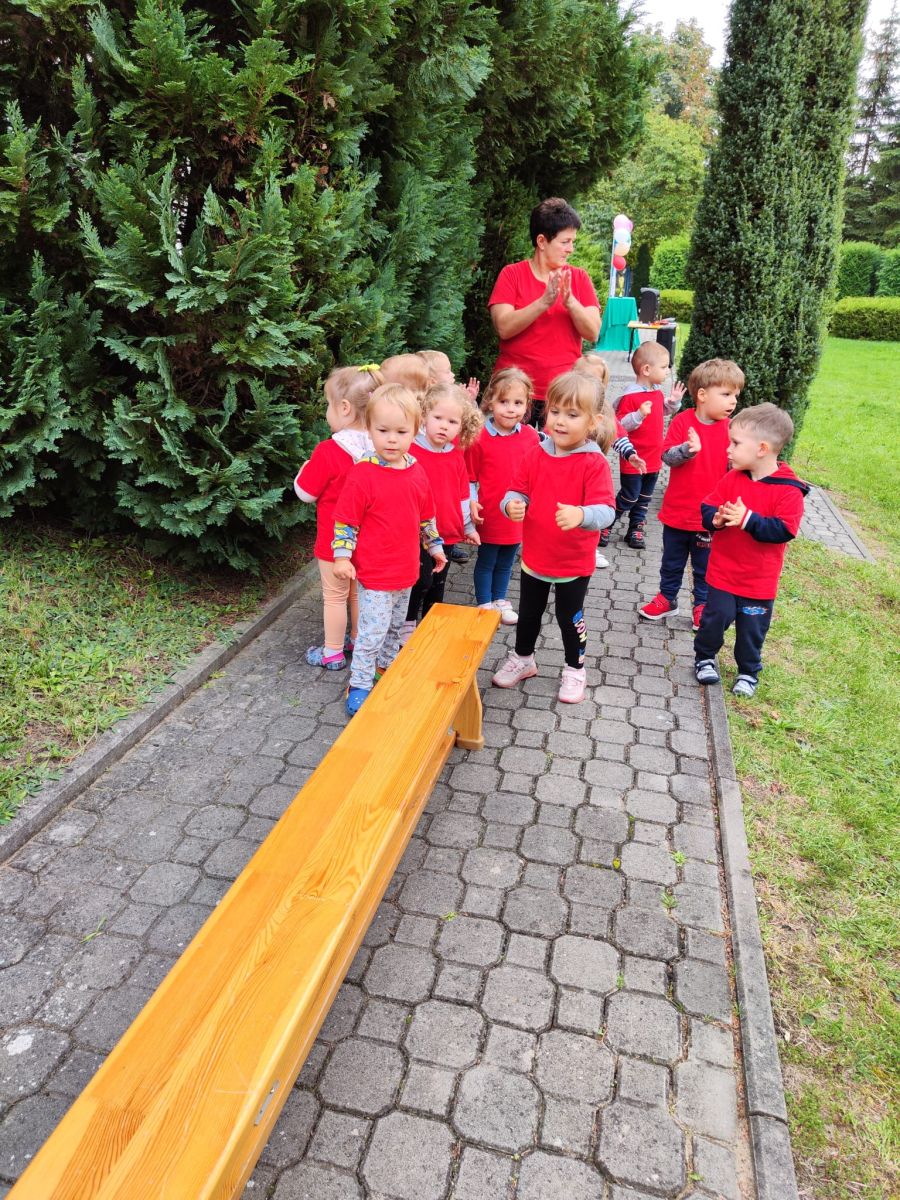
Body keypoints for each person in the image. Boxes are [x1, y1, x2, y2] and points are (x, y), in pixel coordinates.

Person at [491, 370, 615, 704]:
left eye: (572, 415)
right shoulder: (535, 453)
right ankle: (524, 659)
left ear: (593, 422)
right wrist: (511, 505)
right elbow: (517, 490)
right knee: (529, 613)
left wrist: (582, 515)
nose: (560, 421)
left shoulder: (593, 463)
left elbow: (607, 510)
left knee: (568, 617)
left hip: (572, 562)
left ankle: (575, 669)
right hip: (535, 556)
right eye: (555, 411)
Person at [332, 384, 446, 715]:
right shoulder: (363, 474)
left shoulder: (416, 471)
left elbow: (426, 517)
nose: (392, 440)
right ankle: (359, 682)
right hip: (375, 574)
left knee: (395, 629)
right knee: (371, 633)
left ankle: (383, 668)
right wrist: (342, 556)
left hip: (406, 571)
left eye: (401, 432)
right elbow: (346, 522)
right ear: (369, 429)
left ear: (415, 431)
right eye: (383, 431)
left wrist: (435, 546)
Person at [694, 403, 809, 697]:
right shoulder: (733, 478)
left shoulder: (789, 490)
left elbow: (784, 530)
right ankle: (704, 657)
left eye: (735, 443)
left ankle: (748, 671)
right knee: (713, 620)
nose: (728, 449)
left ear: (762, 449)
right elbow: (708, 505)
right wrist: (716, 519)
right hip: (722, 574)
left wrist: (747, 519)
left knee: (752, 630)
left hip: (758, 583)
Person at [638, 358, 743, 631]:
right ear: (703, 395)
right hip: (677, 511)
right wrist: (687, 450)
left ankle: (702, 605)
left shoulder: (732, 430)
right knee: (671, 561)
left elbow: (736, 469)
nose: (733, 401)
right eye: (726, 394)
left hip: (709, 517)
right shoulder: (682, 421)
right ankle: (667, 598)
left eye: (735, 395)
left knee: (704, 567)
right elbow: (666, 457)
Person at [293, 365, 382, 670]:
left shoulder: (329, 450)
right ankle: (357, 640)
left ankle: (332, 652)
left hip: (335, 541)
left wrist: (304, 471)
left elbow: (306, 493)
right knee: (357, 593)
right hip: (368, 539)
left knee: (334, 596)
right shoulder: (383, 448)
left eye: (328, 405)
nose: (327, 412)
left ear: (344, 408)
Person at [488, 197, 601, 423]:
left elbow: (593, 333)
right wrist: (543, 302)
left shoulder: (579, 278)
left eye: (572, 241)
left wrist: (571, 303)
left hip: (562, 395)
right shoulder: (512, 274)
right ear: (541, 241)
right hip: (513, 394)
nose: (571, 249)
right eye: (565, 242)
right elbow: (503, 327)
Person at [400, 383, 483, 641]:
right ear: (424, 415)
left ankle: (432, 626)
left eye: (452, 422)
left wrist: (468, 527)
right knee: (420, 580)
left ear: (462, 426)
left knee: (438, 583)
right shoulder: (409, 450)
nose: (444, 426)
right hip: (416, 532)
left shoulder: (456, 456)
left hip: (446, 531)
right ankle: (407, 624)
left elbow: (463, 495)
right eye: (438, 418)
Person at [465, 368, 540, 624]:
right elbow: (470, 478)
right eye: (503, 402)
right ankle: (484, 603)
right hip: (489, 513)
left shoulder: (530, 437)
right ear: (490, 401)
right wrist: (471, 504)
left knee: (507, 560)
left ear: (527, 404)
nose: (510, 409)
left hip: (517, 513)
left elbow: (536, 474)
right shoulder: (479, 437)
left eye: (518, 403)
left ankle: (500, 599)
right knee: (487, 560)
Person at [602, 341, 686, 550]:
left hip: (653, 459)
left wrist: (673, 402)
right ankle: (606, 524)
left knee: (644, 498)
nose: (668, 371)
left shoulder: (656, 393)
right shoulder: (629, 397)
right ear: (646, 369)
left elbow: (663, 411)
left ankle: (635, 529)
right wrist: (638, 415)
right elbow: (620, 426)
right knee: (629, 496)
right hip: (634, 458)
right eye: (664, 366)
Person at [573, 353, 647, 567]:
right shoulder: (566, 404)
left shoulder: (603, 410)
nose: (589, 383)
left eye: (595, 380)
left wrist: (630, 454)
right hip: (564, 469)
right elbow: (550, 433)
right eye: (583, 376)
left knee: (592, 507)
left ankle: (589, 549)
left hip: (592, 472)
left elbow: (617, 434)